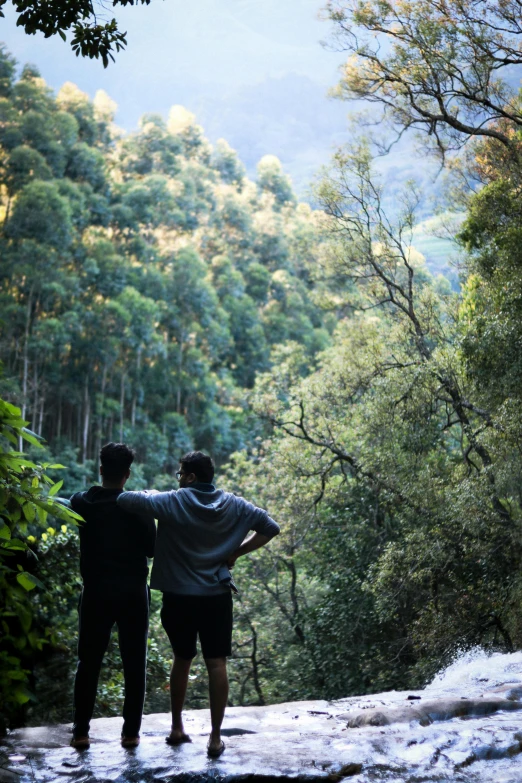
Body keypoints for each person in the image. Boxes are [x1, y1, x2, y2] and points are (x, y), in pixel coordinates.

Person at [117, 450, 280, 757]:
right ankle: (216, 737)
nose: (178, 480)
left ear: (190, 476)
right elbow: (271, 528)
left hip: (179, 597)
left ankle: (177, 728)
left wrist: (154, 493)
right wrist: (236, 553)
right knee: (217, 664)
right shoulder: (235, 505)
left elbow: (126, 500)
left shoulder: (171, 501)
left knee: (182, 658)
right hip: (216, 597)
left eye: (180, 475)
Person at [69, 442, 156, 750]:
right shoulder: (138, 507)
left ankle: (81, 732)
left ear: (101, 469)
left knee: (89, 661)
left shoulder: (83, 502)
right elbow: (151, 549)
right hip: (133, 592)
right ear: (128, 475)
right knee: (134, 663)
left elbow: (75, 499)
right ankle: (130, 733)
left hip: (96, 592)